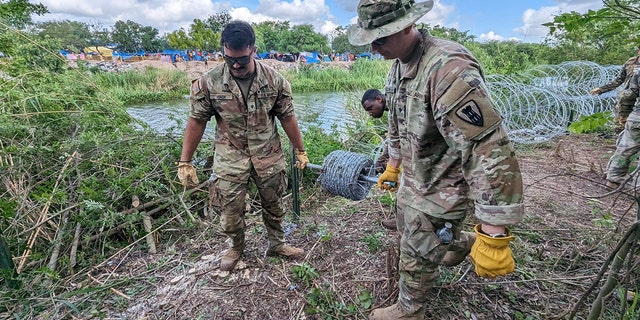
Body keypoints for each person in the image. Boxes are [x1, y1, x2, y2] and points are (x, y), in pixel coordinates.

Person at [348, 1, 525, 319]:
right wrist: (393, 165)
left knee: (415, 252)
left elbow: (486, 147)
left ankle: (409, 309)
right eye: (370, 40)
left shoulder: (446, 68)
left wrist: (494, 231)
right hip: (415, 181)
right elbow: (397, 125)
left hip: (443, 187)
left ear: (406, 26)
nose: (374, 48)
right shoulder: (399, 64)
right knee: (420, 239)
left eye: (381, 39)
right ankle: (458, 244)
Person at [177, 20, 310, 272]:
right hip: (230, 157)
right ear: (223, 52)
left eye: (242, 59)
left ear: (254, 50)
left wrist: (301, 150)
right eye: (230, 59)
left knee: (274, 204)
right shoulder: (209, 82)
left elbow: (287, 117)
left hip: (268, 154)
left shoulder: (275, 80)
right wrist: (185, 161)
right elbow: (197, 121)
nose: (236, 65)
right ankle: (236, 247)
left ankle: (277, 244)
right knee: (229, 210)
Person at [361, 88, 398, 231]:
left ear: (379, 99)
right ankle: (402, 219)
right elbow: (392, 141)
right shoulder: (392, 110)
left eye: (370, 108)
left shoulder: (397, 104)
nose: (370, 112)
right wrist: (380, 164)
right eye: (367, 111)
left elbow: (397, 140)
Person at [590, 46, 640, 134]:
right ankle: (621, 143)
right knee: (621, 123)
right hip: (627, 98)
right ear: (638, 51)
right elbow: (619, 80)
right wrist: (602, 89)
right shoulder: (630, 62)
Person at [605, 66, 640, 189]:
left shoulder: (638, 71)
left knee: (626, 148)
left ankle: (613, 179)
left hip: (636, 117)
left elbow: (629, 94)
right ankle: (637, 188)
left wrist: (624, 115)